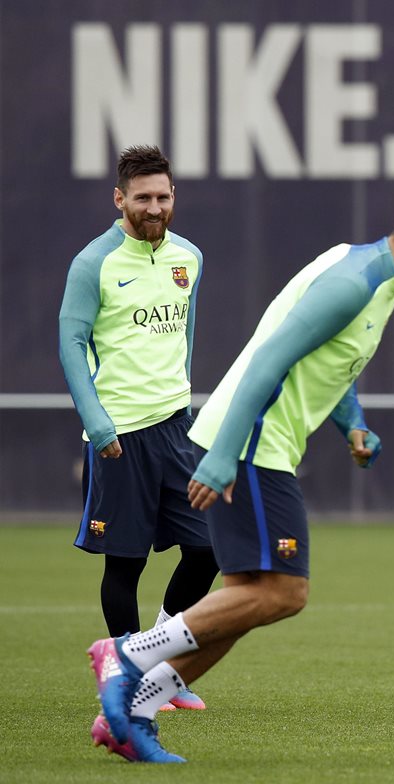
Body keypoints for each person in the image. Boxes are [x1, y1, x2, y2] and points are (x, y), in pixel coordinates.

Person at [86, 182, 394, 763]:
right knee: (284, 592)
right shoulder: (354, 283)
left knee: (246, 601)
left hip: (256, 445)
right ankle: (128, 655)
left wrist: (352, 423)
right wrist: (223, 455)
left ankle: (129, 716)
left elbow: (328, 361)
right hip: (251, 445)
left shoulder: (374, 275)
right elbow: (271, 355)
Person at [59, 145, 218, 737]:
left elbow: (187, 335)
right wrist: (98, 424)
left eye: (164, 196)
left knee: (208, 549)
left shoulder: (189, 258)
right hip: (118, 433)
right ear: (120, 199)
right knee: (124, 564)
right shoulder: (93, 263)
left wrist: (185, 401)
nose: (155, 207)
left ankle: (155, 668)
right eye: (143, 197)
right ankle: (126, 684)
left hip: (175, 427)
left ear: (174, 197)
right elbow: (71, 344)